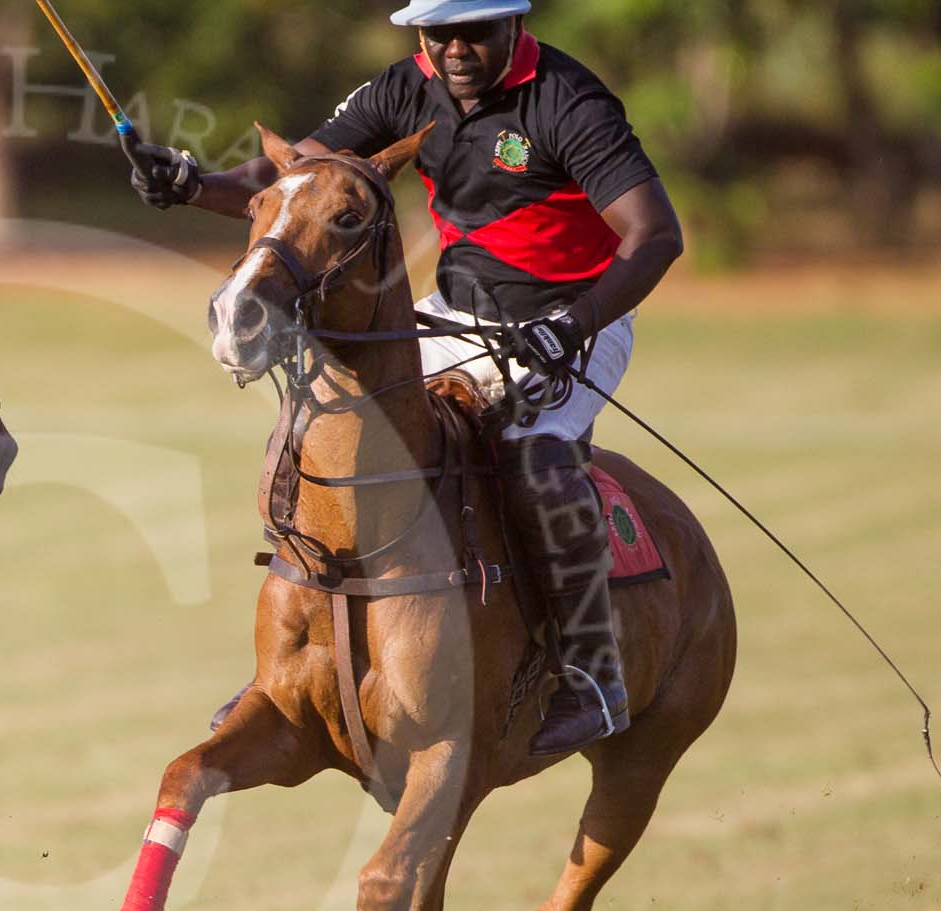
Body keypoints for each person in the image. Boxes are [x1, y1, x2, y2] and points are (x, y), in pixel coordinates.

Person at [128, 0, 685, 754]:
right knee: (325, 420)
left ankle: (593, 670)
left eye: (473, 32)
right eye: (437, 33)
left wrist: (573, 325)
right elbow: (298, 176)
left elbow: (656, 235)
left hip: (575, 316)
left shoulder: (567, 100)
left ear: (512, 25)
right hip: (454, 310)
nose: (454, 50)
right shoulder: (405, 86)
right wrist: (193, 183)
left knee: (531, 449)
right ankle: (299, 653)